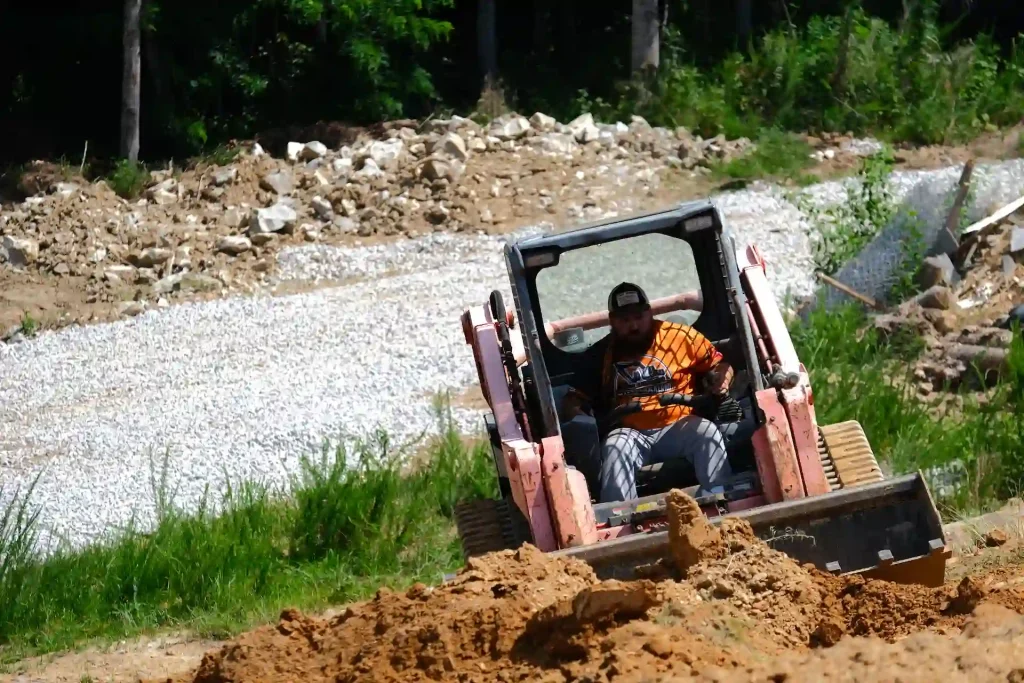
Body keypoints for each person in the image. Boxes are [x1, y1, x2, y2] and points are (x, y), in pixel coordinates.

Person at [562, 282, 735, 503]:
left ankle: (721, 501)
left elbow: (721, 365)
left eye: (638, 317)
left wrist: (722, 381)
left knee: (707, 433)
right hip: (630, 432)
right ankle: (621, 519)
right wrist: (578, 418)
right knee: (615, 447)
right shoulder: (600, 354)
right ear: (612, 321)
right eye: (625, 320)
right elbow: (573, 398)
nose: (633, 326)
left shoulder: (681, 337)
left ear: (649, 313)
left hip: (681, 423)